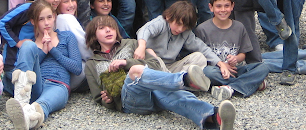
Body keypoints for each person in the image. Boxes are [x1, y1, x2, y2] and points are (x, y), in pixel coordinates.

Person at [84, 16, 236, 130]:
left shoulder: (131, 44)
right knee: (137, 71)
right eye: (102, 28)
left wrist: (126, 62)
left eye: (110, 27)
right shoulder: (92, 63)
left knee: (168, 92)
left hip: (153, 91)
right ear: (94, 34)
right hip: (130, 101)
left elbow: (155, 64)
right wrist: (108, 100)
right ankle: (185, 80)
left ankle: (213, 118)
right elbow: (98, 97)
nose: (108, 30)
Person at [6, 0, 81, 130]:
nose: (46, 23)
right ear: (33, 22)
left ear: (54, 17)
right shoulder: (32, 44)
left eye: (49, 17)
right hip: (35, 85)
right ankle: (22, 100)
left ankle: (28, 120)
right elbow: (22, 67)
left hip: (58, 85)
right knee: (27, 45)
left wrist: (53, 50)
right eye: (41, 19)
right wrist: (43, 51)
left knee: (41, 105)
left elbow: (77, 68)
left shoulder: (67, 36)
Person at [195, 0, 270, 100]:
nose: (223, 10)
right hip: (216, 71)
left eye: (226, 6)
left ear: (232, 6)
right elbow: (200, 57)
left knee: (263, 67)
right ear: (211, 7)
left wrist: (236, 59)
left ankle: (231, 88)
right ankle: (249, 83)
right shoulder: (202, 29)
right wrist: (220, 65)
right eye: (218, 6)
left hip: (236, 70)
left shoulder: (239, 27)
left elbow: (243, 54)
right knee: (208, 72)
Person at [0, 0, 64, 95]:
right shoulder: (27, 8)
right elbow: (2, 23)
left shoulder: (53, 12)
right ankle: (11, 87)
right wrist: (17, 42)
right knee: (26, 87)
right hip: (14, 62)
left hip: (34, 62)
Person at [134, 1, 222, 72]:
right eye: (178, 24)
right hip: (152, 64)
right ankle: (172, 81)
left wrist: (219, 63)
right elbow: (145, 30)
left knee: (199, 57)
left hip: (170, 66)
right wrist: (142, 46)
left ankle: (178, 80)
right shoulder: (161, 22)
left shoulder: (186, 33)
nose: (180, 29)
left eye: (184, 27)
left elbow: (201, 47)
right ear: (169, 17)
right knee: (150, 52)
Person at [55, 0, 93, 91]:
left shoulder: (54, 20)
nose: (71, 5)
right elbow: (83, 45)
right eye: (66, 1)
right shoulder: (66, 18)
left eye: (73, 0)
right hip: (74, 74)